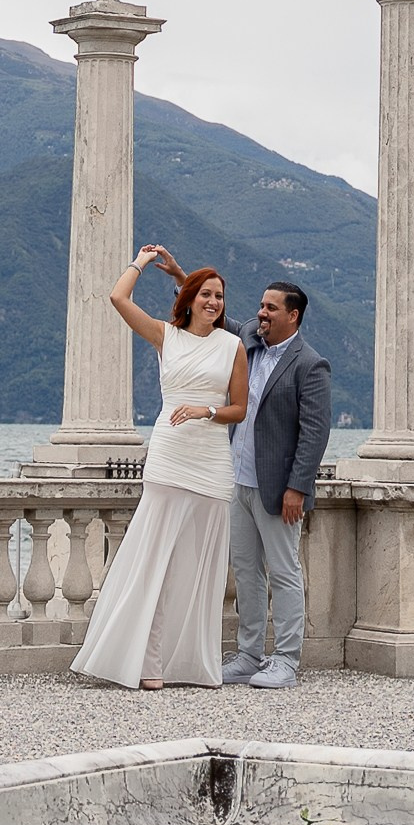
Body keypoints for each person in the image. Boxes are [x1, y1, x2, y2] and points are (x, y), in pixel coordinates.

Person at [69, 245, 247, 690]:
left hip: (211, 462)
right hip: (170, 458)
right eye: (205, 294)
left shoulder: (233, 345)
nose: (213, 302)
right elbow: (118, 299)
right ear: (189, 299)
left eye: (219, 296)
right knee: (158, 561)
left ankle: (193, 663)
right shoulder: (166, 335)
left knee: (201, 566)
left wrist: (206, 410)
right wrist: (142, 262)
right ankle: (147, 663)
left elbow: (239, 409)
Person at [224, 281, 332, 688]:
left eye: (270, 308)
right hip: (240, 483)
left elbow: (315, 432)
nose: (262, 313)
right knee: (246, 572)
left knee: (285, 572)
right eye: (261, 305)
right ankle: (250, 655)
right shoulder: (251, 339)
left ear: (293, 316)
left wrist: (298, 488)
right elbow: (222, 320)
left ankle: (286, 659)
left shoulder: (310, 364)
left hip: (279, 490)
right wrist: (184, 279)